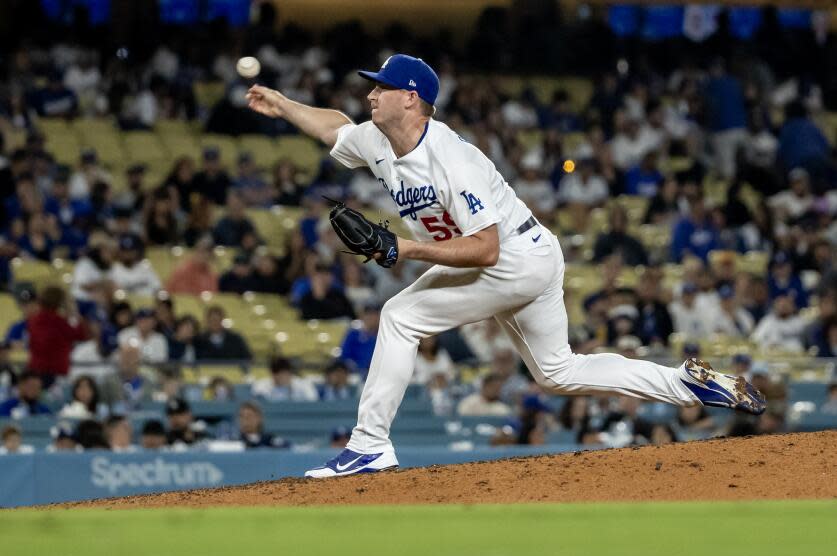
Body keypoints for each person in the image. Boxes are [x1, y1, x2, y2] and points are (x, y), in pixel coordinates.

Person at [246, 53, 765, 478]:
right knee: (558, 372)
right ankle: (687, 384)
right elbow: (336, 129)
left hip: (512, 257)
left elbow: (486, 249)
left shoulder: (452, 158)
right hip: (530, 255)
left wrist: (405, 249)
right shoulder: (379, 141)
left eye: (381, 87)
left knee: (401, 316)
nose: (370, 95)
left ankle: (369, 444)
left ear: (411, 98)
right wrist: (282, 103)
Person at [27, 285, 90, 385]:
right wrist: (74, 313)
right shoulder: (58, 322)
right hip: (54, 373)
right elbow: (81, 335)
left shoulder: (34, 320)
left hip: (36, 370)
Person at [252, 356, 318, 402]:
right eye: (279, 375)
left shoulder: (304, 385)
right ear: (273, 375)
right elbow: (257, 403)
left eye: (286, 374)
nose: (283, 378)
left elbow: (313, 402)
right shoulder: (261, 386)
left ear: (290, 373)